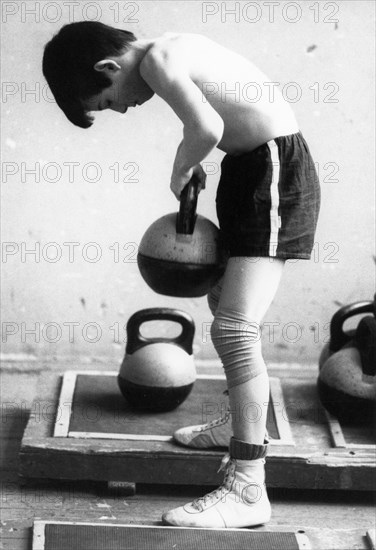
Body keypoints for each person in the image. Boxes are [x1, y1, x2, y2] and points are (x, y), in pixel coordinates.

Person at [43, 21, 320, 529]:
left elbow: (207, 129)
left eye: (107, 103)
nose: (122, 109)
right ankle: (237, 424)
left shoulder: (156, 61)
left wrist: (179, 167)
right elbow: (218, 124)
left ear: (108, 68)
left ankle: (248, 487)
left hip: (273, 169)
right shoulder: (173, 45)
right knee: (224, 307)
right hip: (249, 165)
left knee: (235, 328)